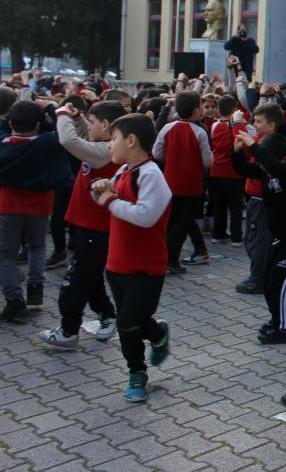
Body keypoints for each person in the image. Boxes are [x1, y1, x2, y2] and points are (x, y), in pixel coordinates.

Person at [91, 113, 173, 402]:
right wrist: (99, 189)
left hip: (146, 267)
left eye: (113, 139)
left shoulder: (151, 175)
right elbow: (107, 197)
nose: (109, 145)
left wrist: (111, 200)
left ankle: (137, 373)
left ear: (131, 140)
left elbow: (146, 216)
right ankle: (157, 334)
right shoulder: (123, 170)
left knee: (127, 323)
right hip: (116, 263)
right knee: (135, 320)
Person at [38, 101, 127, 348]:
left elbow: (69, 141)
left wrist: (63, 114)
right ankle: (108, 315)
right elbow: (87, 133)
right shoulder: (104, 143)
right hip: (88, 223)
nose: (90, 126)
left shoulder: (106, 150)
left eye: (94, 121)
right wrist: (79, 118)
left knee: (77, 279)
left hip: (97, 226)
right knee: (90, 275)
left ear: (107, 126)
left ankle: (68, 330)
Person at [232, 131, 286, 345]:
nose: (263, 168)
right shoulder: (265, 171)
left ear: (284, 158)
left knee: (282, 283)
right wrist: (238, 153)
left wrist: (254, 146)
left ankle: (285, 328)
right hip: (280, 237)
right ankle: (277, 321)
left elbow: (275, 167)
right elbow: (241, 169)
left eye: (265, 162)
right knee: (269, 281)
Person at [0, 101, 73, 322]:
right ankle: (35, 290)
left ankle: (15, 301)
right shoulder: (47, 143)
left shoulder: (4, 145)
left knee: (6, 255)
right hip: (41, 205)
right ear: (39, 124)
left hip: (8, 206)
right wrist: (51, 107)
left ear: (11, 122)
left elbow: (4, 126)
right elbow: (54, 129)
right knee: (38, 247)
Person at [153, 91, 212, 272]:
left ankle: (168, 257)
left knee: (173, 222)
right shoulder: (199, 132)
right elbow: (207, 161)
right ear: (196, 111)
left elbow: (157, 153)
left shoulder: (167, 128)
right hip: (192, 186)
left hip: (169, 184)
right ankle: (171, 261)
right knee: (182, 224)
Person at [234, 104, 282, 295]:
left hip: (262, 200)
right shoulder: (260, 140)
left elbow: (246, 140)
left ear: (271, 125)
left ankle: (258, 278)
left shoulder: (268, 144)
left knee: (258, 240)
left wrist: (237, 124)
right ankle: (260, 274)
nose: (255, 125)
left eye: (259, 122)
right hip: (255, 198)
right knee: (253, 239)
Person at [208, 95, 246, 247]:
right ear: (235, 109)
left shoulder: (215, 125)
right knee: (236, 206)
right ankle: (236, 237)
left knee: (219, 204)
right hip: (232, 170)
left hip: (216, 169)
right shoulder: (234, 127)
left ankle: (218, 234)